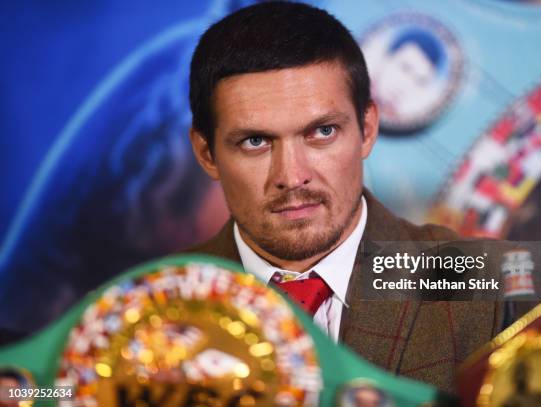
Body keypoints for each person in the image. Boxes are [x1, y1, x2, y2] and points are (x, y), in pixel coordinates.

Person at [185, 1, 502, 392]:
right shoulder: (147, 311)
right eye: (255, 141)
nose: (292, 176)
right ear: (206, 153)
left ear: (367, 129)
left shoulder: (488, 289)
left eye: (322, 132)